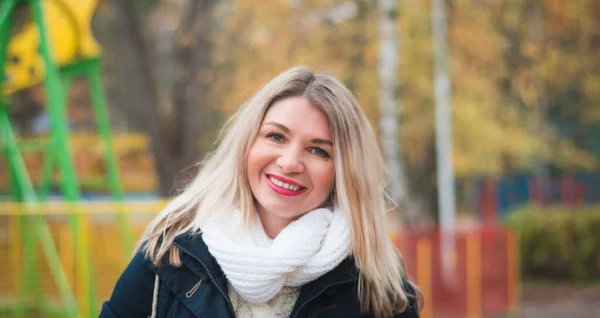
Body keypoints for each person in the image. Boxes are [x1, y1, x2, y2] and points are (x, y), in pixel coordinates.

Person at [100, 67, 421, 318]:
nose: (290, 162)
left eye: (318, 151)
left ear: (345, 171)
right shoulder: (170, 253)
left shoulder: (377, 284)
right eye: (276, 137)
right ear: (247, 142)